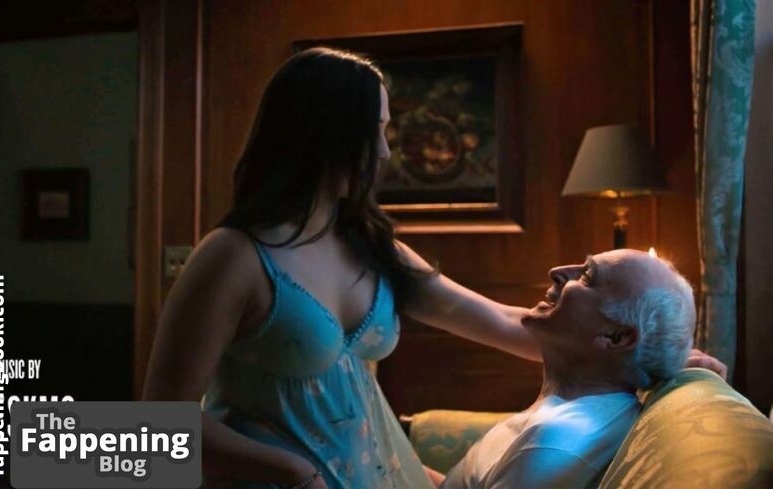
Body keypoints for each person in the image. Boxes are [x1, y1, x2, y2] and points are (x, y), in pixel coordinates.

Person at [141, 47, 726, 489]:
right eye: (376, 132)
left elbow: (506, 321)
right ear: (324, 134)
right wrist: (292, 472)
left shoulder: (372, 246)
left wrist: (659, 355)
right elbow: (159, 427)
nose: (386, 151)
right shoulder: (233, 257)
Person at [440, 249, 697, 489]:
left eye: (587, 276)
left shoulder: (552, 446)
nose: (556, 271)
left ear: (615, 337)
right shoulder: (570, 421)